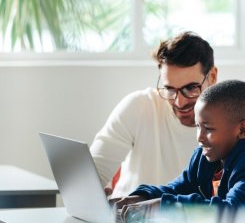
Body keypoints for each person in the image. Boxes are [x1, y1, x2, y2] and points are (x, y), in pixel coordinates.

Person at [113, 80, 245, 221]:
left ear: (242, 130)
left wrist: (164, 206)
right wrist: (142, 197)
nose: (199, 137)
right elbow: (178, 188)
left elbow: (234, 211)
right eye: (198, 126)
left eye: (208, 129)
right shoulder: (205, 155)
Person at [90, 32, 218, 198]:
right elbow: (92, 175)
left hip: (193, 222)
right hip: (126, 218)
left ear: (213, 77)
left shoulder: (233, 124)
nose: (179, 102)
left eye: (191, 88)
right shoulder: (139, 107)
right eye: (170, 89)